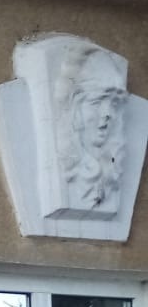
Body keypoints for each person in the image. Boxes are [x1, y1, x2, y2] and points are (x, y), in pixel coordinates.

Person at [55, 44, 128, 212]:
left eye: (114, 103)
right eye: (96, 102)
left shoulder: (110, 166)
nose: (108, 113)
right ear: (74, 108)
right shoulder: (66, 166)